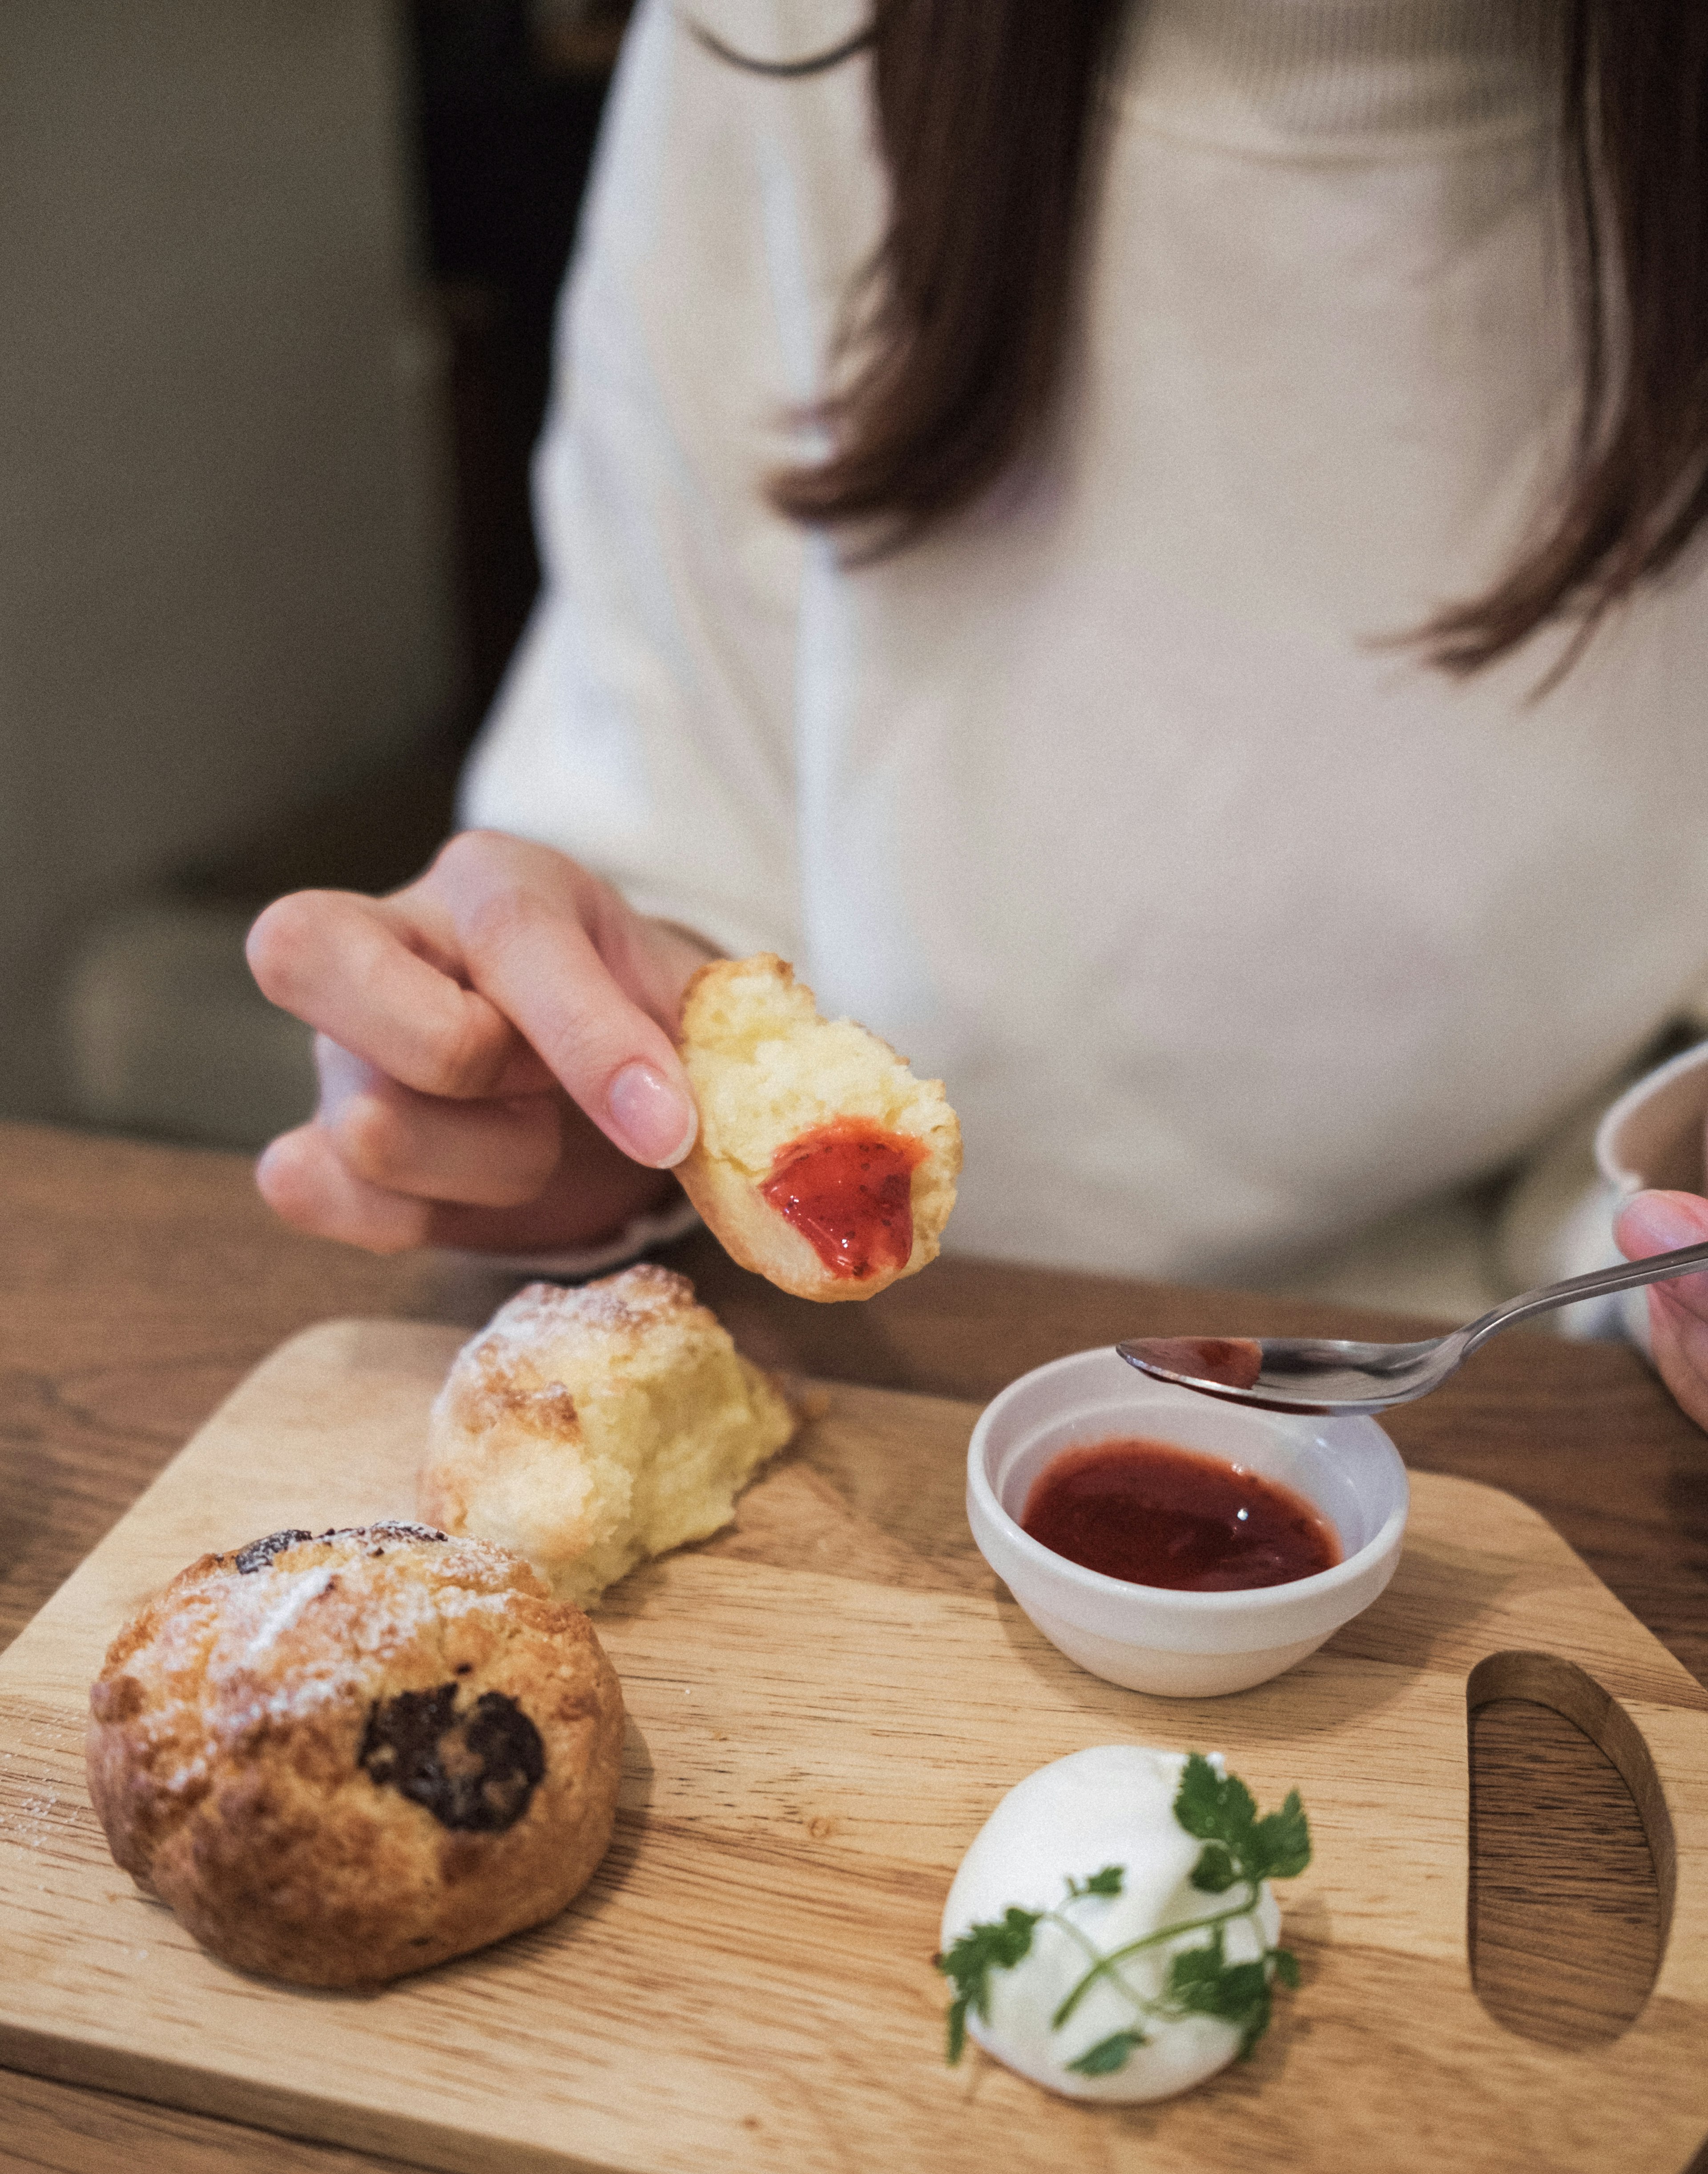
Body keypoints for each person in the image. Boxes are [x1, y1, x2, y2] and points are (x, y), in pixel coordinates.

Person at [246, 0, 1708, 1426]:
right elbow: (671, 821)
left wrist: (1668, 1232)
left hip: (1512, 1387)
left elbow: (1666, 1086)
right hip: (877, 1383)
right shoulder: (777, 43)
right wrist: (572, 1080)